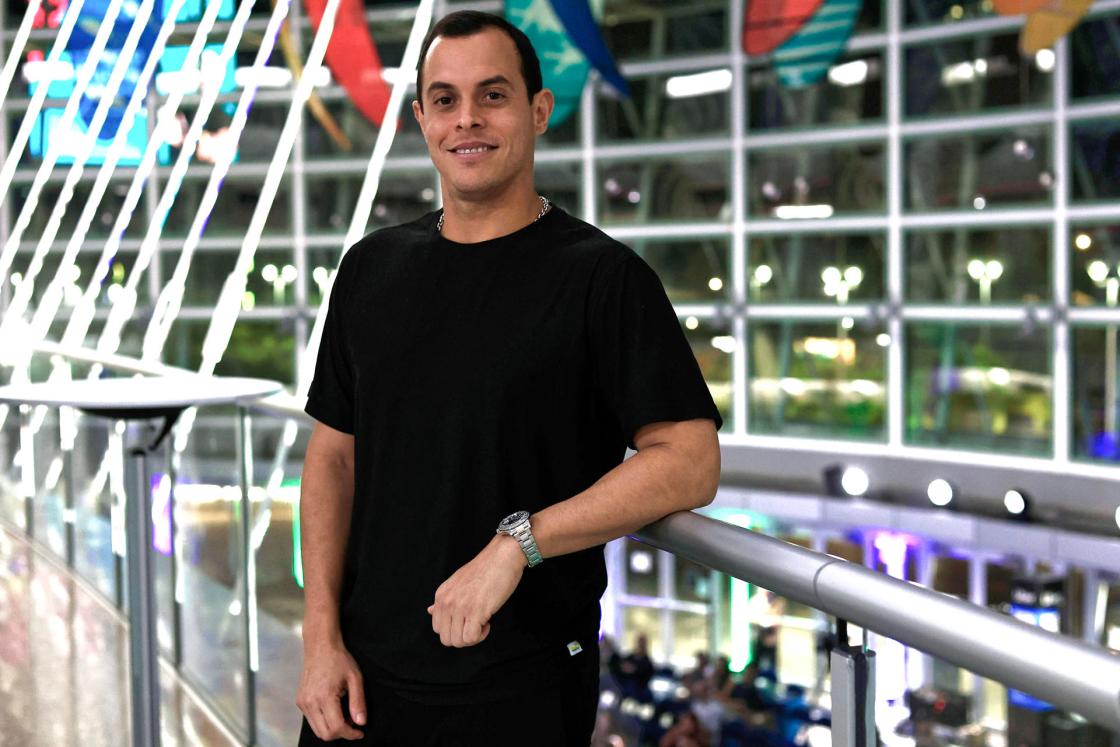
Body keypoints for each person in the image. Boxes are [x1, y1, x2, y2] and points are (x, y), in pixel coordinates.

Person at [295, 10, 723, 745]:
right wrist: (320, 637)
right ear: (421, 117)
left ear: (538, 110)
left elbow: (690, 462)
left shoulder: (603, 280)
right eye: (445, 99)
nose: (468, 119)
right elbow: (334, 457)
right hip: (363, 686)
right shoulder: (370, 268)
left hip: (520, 687)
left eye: (493, 95)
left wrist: (519, 543)